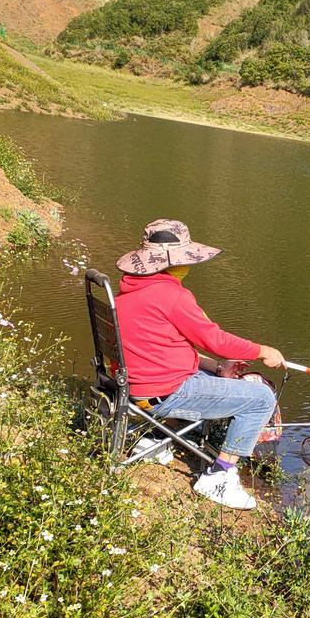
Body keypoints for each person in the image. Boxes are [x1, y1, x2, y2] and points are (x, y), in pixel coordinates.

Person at [114, 218, 285, 510]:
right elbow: (215, 340)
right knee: (260, 398)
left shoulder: (128, 292)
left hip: (134, 391)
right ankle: (219, 477)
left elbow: (165, 348)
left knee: (221, 380)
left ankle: (154, 439)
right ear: (175, 261)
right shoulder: (172, 295)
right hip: (162, 395)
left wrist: (216, 368)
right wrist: (262, 350)